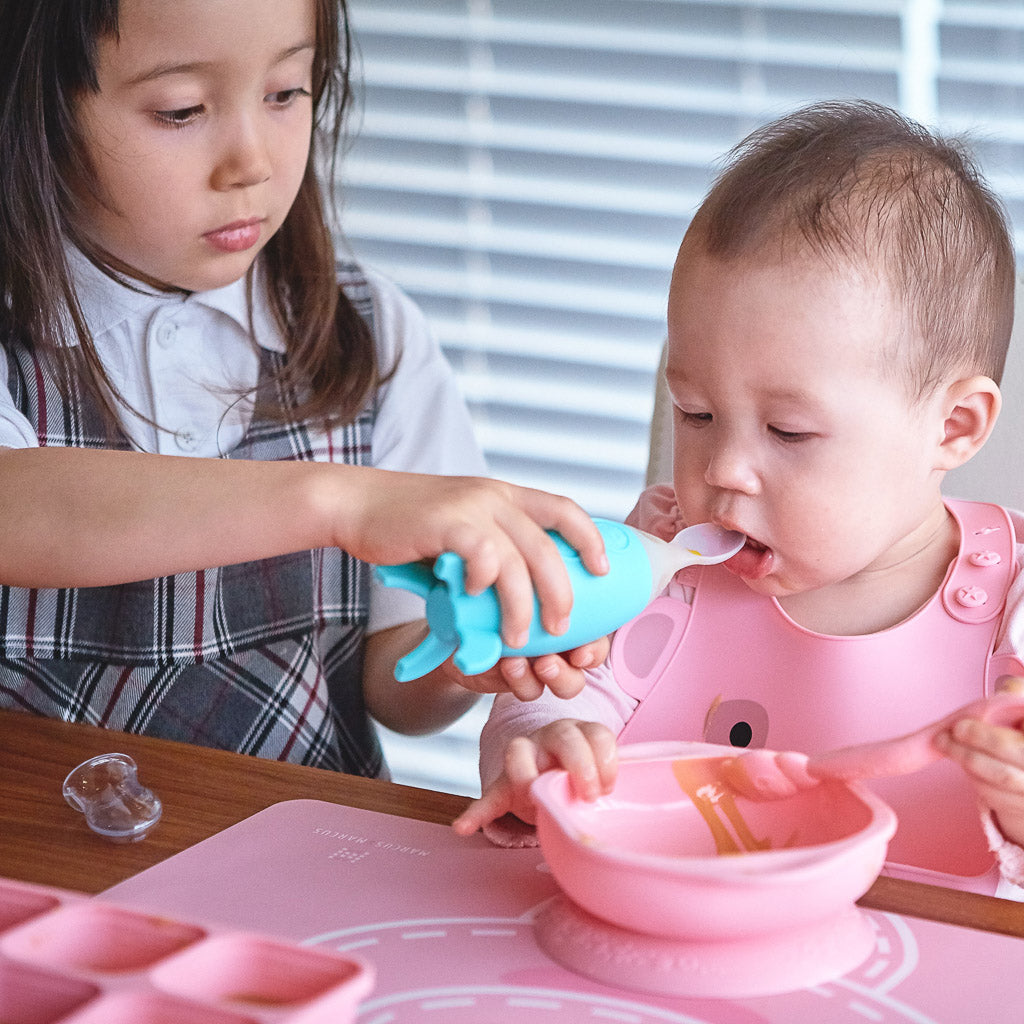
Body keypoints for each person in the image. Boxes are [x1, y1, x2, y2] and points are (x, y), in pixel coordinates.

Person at [0, 0, 610, 777]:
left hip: (309, 867)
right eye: (181, 110)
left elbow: (394, 684)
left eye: (286, 92)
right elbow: (21, 508)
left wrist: (462, 654)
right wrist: (344, 502)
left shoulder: (367, 332)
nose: (250, 163)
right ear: (34, 107)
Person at [454, 100, 1024, 897]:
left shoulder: (1014, 610)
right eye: (697, 414)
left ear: (954, 427)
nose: (724, 470)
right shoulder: (660, 560)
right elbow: (552, 697)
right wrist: (546, 750)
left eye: (787, 432)